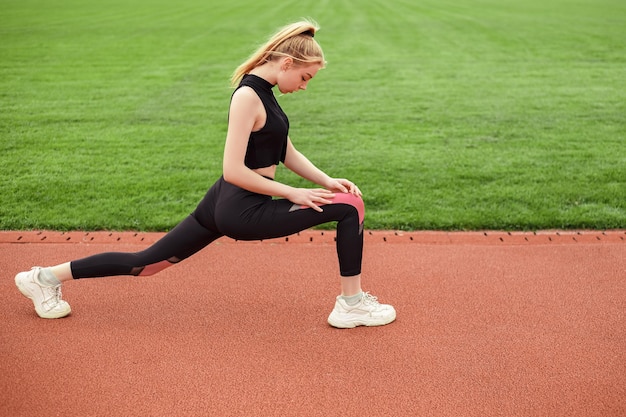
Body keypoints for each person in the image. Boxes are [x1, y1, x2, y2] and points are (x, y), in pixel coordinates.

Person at [14, 20, 396, 329]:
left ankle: (44, 278)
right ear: (286, 64)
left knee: (146, 264)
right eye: (306, 77)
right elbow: (232, 170)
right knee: (350, 207)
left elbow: (285, 151)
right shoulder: (248, 96)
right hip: (241, 207)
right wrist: (293, 193)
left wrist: (325, 181)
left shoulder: (267, 95)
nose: (305, 86)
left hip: (225, 202)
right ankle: (350, 305)